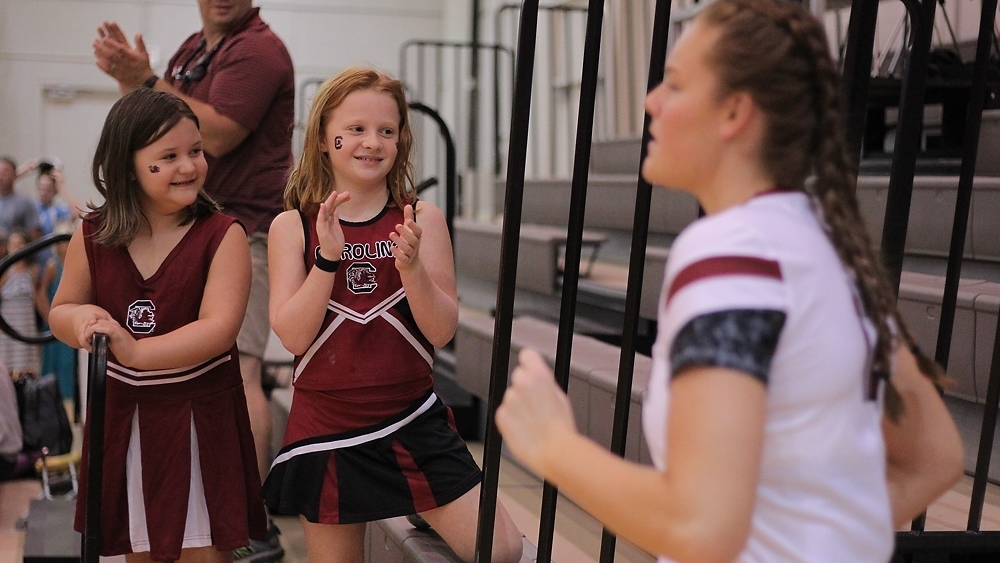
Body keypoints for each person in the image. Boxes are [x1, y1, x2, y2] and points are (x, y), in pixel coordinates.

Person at [495, 1, 966, 562]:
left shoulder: (734, 253)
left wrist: (554, 448)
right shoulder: (828, 248)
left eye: (673, 83)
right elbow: (933, 458)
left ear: (734, 112)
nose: (652, 101)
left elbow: (701, 526)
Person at [263, 68, 523, 563]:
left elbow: (441, 331)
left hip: (411, 417)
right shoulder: (291, 226)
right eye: (356, 129)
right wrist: (327, 261)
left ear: (402, 139)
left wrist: (412, 272)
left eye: (387, 130)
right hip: (327, 424)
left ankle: (421, 499)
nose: (372, 142)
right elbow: (294, 336)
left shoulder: (421, 219)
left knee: (503, 549)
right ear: (323, 137)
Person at [92, 3, 294, 557]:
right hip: (170, 232)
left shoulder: (259, 50)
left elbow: (219, 134)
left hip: (240, 225)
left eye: (189, 154)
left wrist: (141, 79)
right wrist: (136, 88)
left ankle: (250, 526)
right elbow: (150, 124)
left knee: (240, 368)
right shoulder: (191, 49)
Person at [48, 88, 266, 562]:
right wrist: (81, 318)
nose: (188, 166)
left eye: (195, 151)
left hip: (198, 422)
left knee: (201, 552)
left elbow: (219, 329)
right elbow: (61, 309)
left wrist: (139, 352)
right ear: (126, 165)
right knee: (133, 551)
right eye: (167, 157)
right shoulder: (93, 233)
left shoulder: (223, 235)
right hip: (122, 419)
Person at [36, 221, 77, 401]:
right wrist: (48, 316)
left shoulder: (77, 265)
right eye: (62, 242)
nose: (65, 245)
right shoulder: (53, 266)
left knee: (68, 364)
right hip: (55, 323)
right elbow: (41, 293)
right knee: (52, 364)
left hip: (71, 322)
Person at [0, 231, 41, 377]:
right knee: (7, 367)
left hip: (26, 324)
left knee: (26, 367)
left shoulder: (33, 270)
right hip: (8, 325)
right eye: (14, 245)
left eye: (20, 244)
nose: (17, 248)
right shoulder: (4, 271)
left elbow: (37, 297)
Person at [0, 157, 41, 239]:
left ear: (14, 175)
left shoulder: (25, 203)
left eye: (5, 173)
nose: (1, 177)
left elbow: (34, 234)